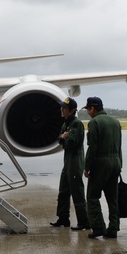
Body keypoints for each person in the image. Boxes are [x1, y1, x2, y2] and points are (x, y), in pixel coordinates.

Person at [83, 97, 123, 239]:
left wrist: (87, 167)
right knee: (112, 198)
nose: (88, 112)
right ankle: (113, 228)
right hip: (116, 162)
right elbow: (119, 146)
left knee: (92, 196)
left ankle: (98, 227)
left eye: (88, 109)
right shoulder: (115, 121)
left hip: (101, 163)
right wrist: (120, 164)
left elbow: (92, 148)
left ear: (92, 109)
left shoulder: (94, 123)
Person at [50, 98, 88, 229]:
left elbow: (71, 144)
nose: (62, 110)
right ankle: (63, 218)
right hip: (67, 162)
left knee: (77, 192)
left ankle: (84, 221)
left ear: (72, 111)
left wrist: (64, 139)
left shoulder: (76, 124)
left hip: (75, 162)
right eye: (62, 107)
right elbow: (59, 138)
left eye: (65, 108)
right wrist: (63, 137)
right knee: (63, 191)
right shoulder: (66, 124)